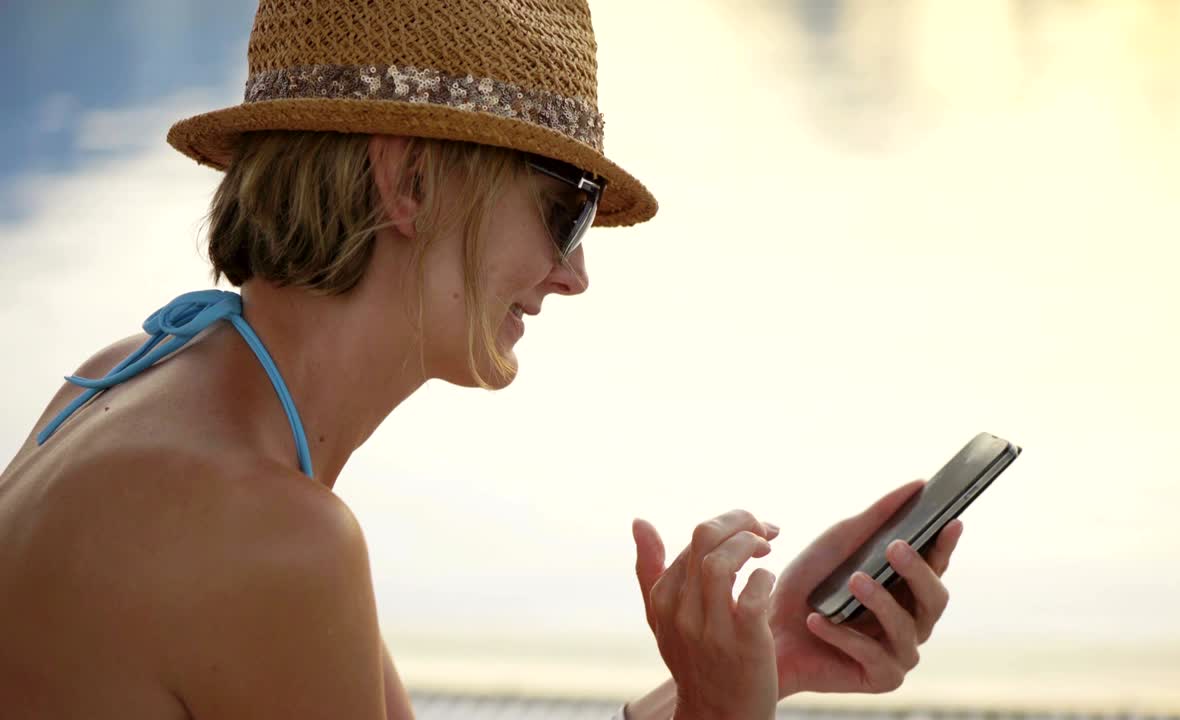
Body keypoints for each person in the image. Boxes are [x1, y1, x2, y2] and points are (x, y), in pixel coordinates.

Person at [0, 1, 963, 718]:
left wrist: (769, 657)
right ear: (409, 178)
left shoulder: (135, 375)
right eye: (567, 208)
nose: (575, 274)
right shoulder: (272, 538)